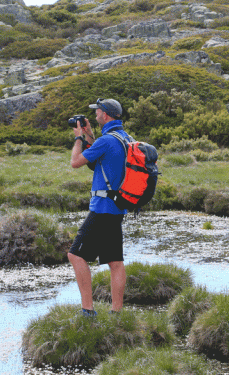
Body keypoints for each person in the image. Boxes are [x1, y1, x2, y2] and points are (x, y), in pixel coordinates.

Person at [67, 98, 131, 317]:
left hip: (102, 208)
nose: (95, 115)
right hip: (118, 208)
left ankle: (87, 310)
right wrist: (89, 135)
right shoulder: (124, 138)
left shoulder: (106, 141)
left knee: (76, 255)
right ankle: (117, 312)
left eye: (98, 112)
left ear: (107, 114)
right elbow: (101, 157)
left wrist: (78, 138)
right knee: (115, 261)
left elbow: (76, 162)